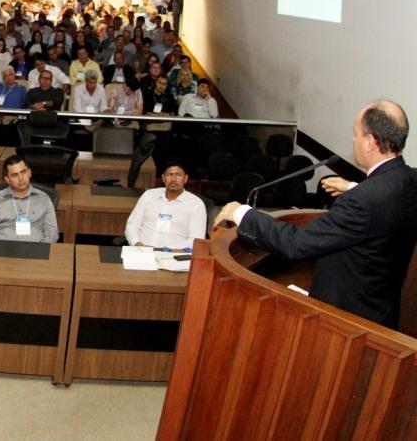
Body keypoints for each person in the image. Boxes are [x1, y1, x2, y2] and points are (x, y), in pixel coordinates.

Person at [213, 101, 417, 329]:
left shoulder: (362, 201)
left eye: (356, 134)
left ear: (370, 142)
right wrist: (352, 186)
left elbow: (296, 243)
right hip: (380, 313)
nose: (353, 140)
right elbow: (386, 200)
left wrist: (242, 213)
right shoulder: (409, 180)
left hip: (345, 323)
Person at [124, 162, 207, 249]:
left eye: (178, 175)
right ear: (163, 178)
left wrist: (166, 250)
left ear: (185, 178)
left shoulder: (196, 204)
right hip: (141, 251)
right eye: (169, 175)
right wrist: (137, 243)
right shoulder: (149, 195)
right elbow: (132, 225)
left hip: (173, 256)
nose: (173, 179)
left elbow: (196, 240)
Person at [0, 155, 59, 242]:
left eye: (23, 172)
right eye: (14, 175)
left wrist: (40, 250)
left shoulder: (44, 199)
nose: (21, 178)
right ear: (7, 179)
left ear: (29, 172)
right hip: (2, 250)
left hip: (35, 250)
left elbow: (52, 234)